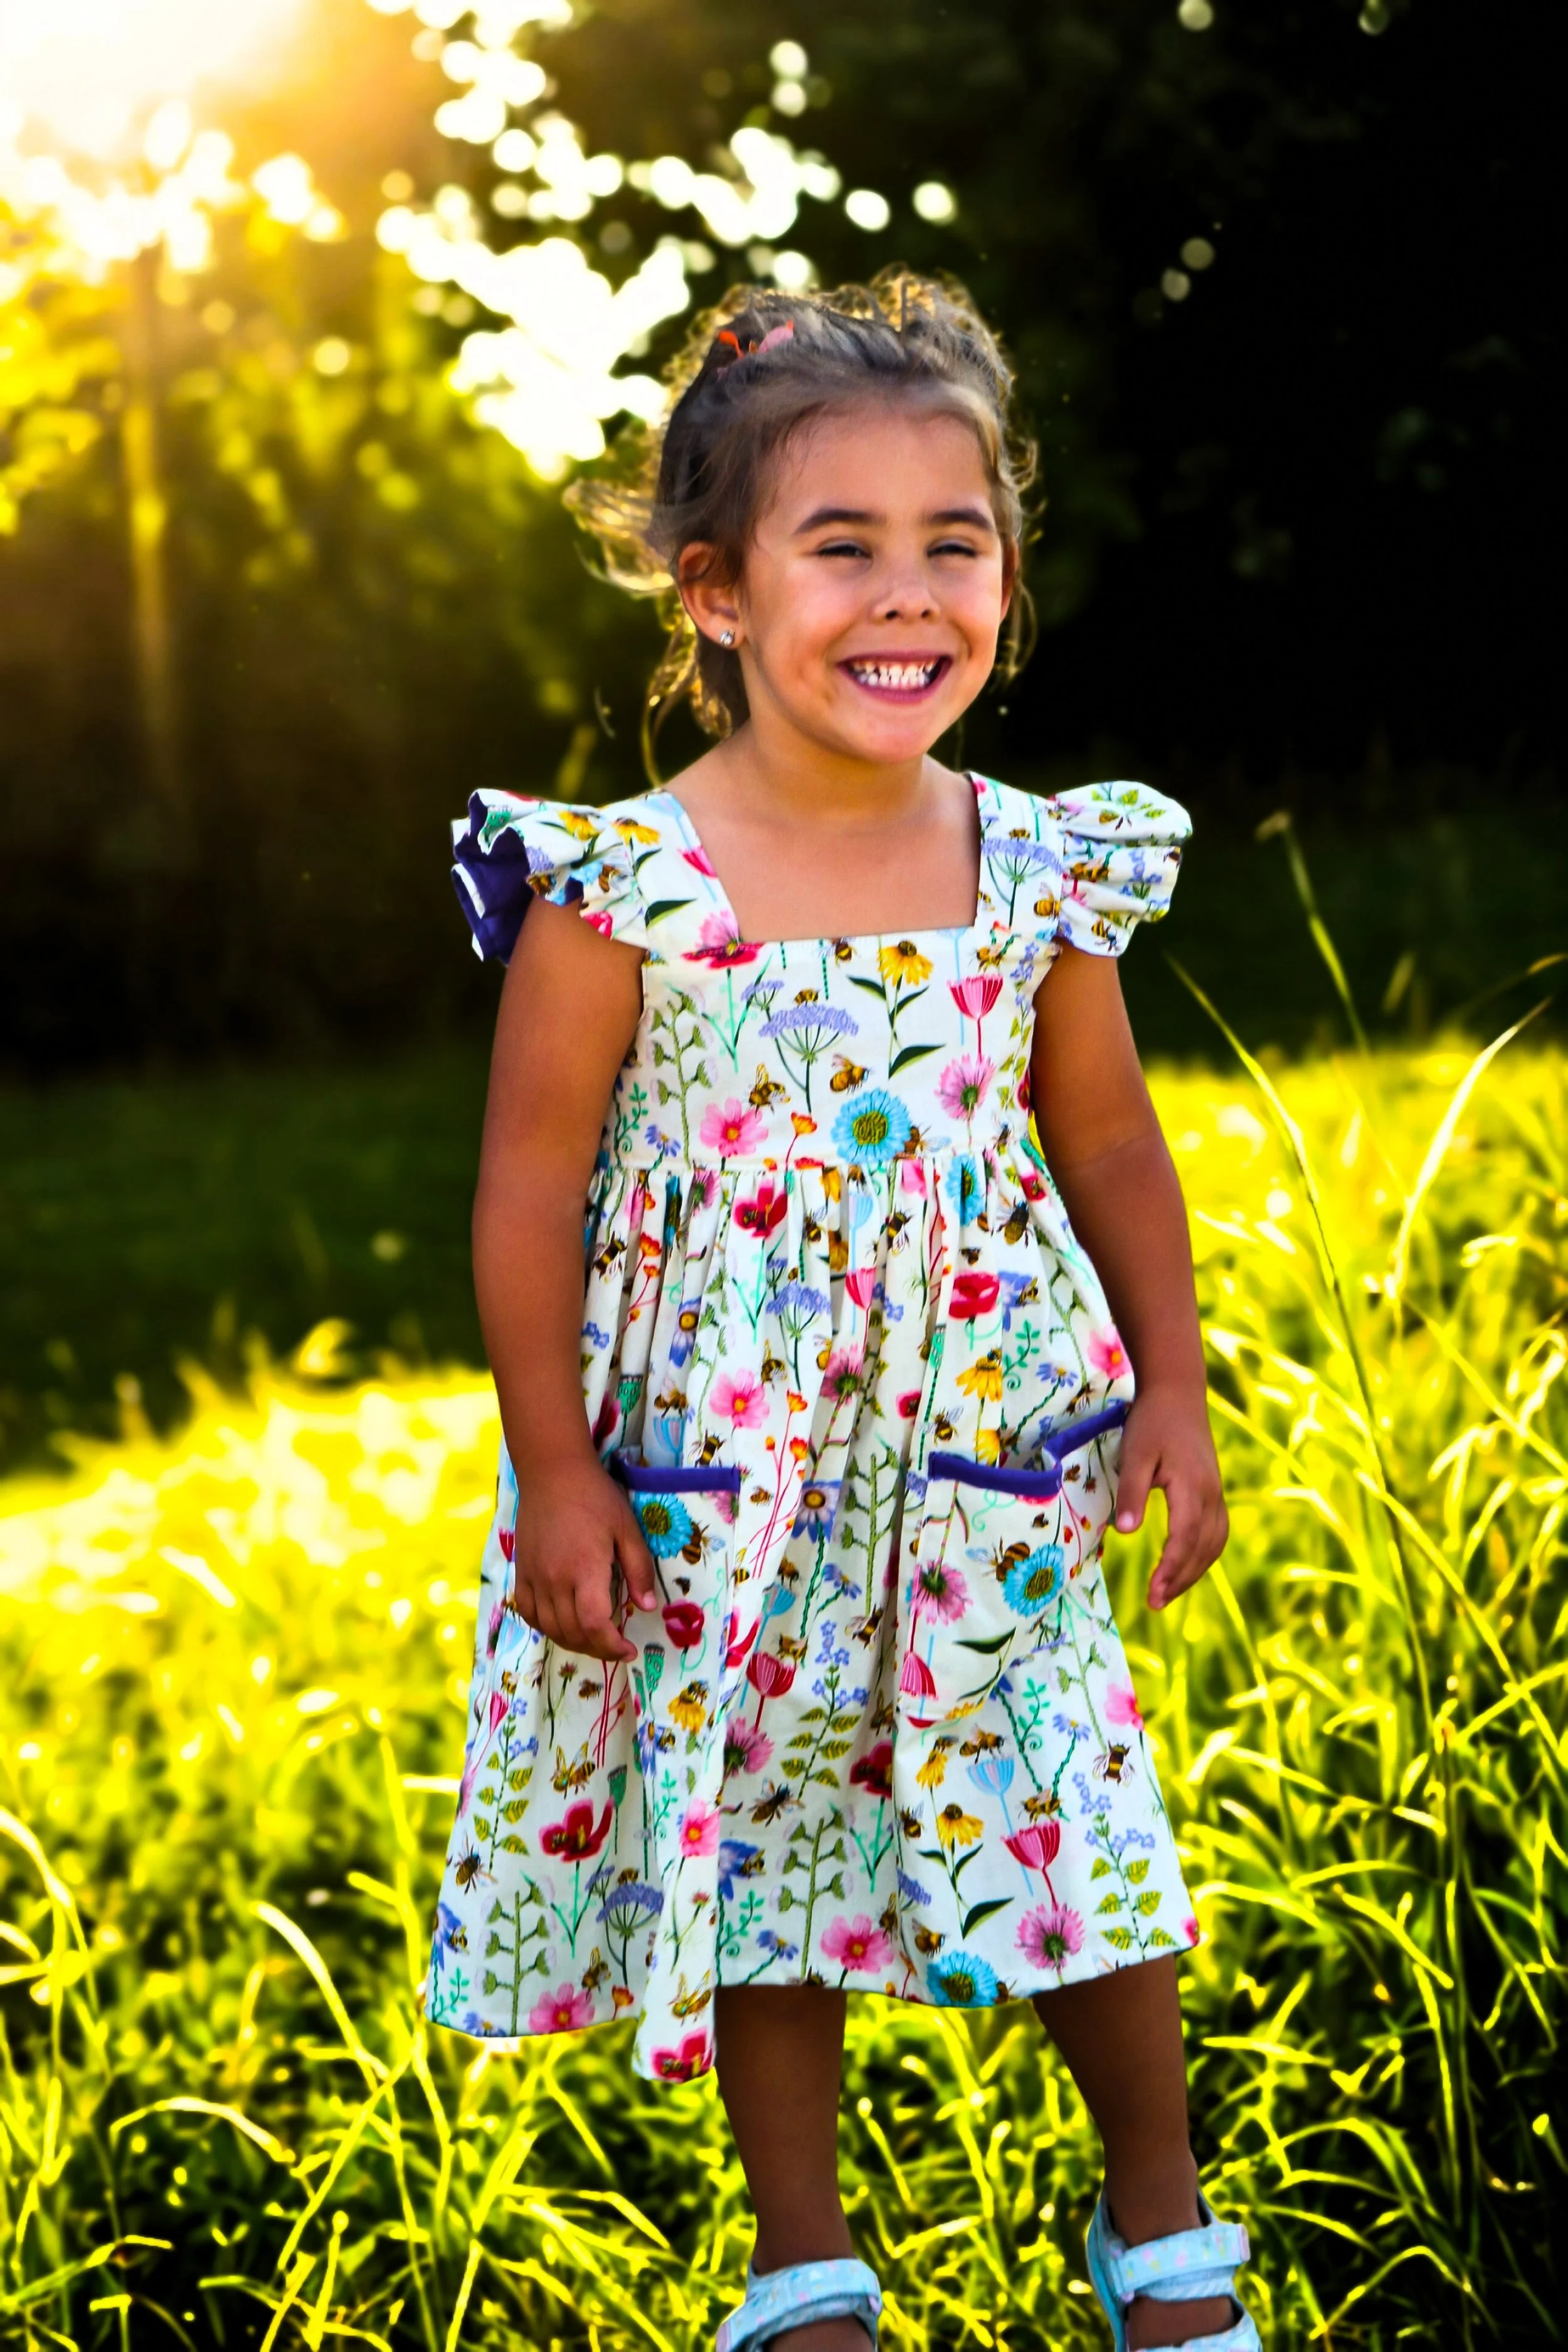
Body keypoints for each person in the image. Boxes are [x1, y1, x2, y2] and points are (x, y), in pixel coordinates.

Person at [428, 272, 1258, 2352]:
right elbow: (529, 1184)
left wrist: (1174, 1380)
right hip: (723, 1457)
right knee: (757, 1818)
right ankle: (802, 2268)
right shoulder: (619, 885)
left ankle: (1160, 2238)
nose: (909, 595)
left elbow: (1112, 1140)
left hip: (988, 1430)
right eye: (842, 545)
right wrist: (553, 1463)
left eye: (952, 542)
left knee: (1066, 1793)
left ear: (1003, 571)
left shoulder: (1037, 866)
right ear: (711, 593)